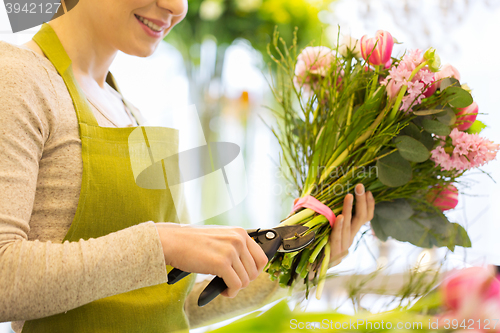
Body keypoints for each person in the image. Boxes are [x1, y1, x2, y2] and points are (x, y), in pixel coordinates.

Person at [0, 0, 375, 332]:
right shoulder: (18, 78)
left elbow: (167, 306)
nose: (177, 7)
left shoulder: (129, 111)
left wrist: (300, 262)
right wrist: (164, 243)